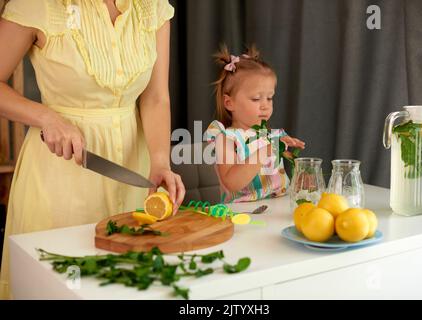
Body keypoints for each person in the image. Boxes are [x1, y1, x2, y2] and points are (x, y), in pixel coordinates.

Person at [0, 0, 185, 299]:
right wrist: (46, 117)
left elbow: (155, 97)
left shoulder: (151, 7)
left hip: (132, 170)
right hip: (59, 175)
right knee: (64, 286)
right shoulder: (37, 5)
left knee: (127, 286)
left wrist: (161, 161)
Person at [205, 45, 306, 203]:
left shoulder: (269, 136)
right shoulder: (225, 137)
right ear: (229, 103)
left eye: (269, 98)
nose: (265, 105)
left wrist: (288, 154)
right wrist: (267, 150)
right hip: (243, 213)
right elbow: (231, 183)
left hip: (277, 207)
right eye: (256, 99)